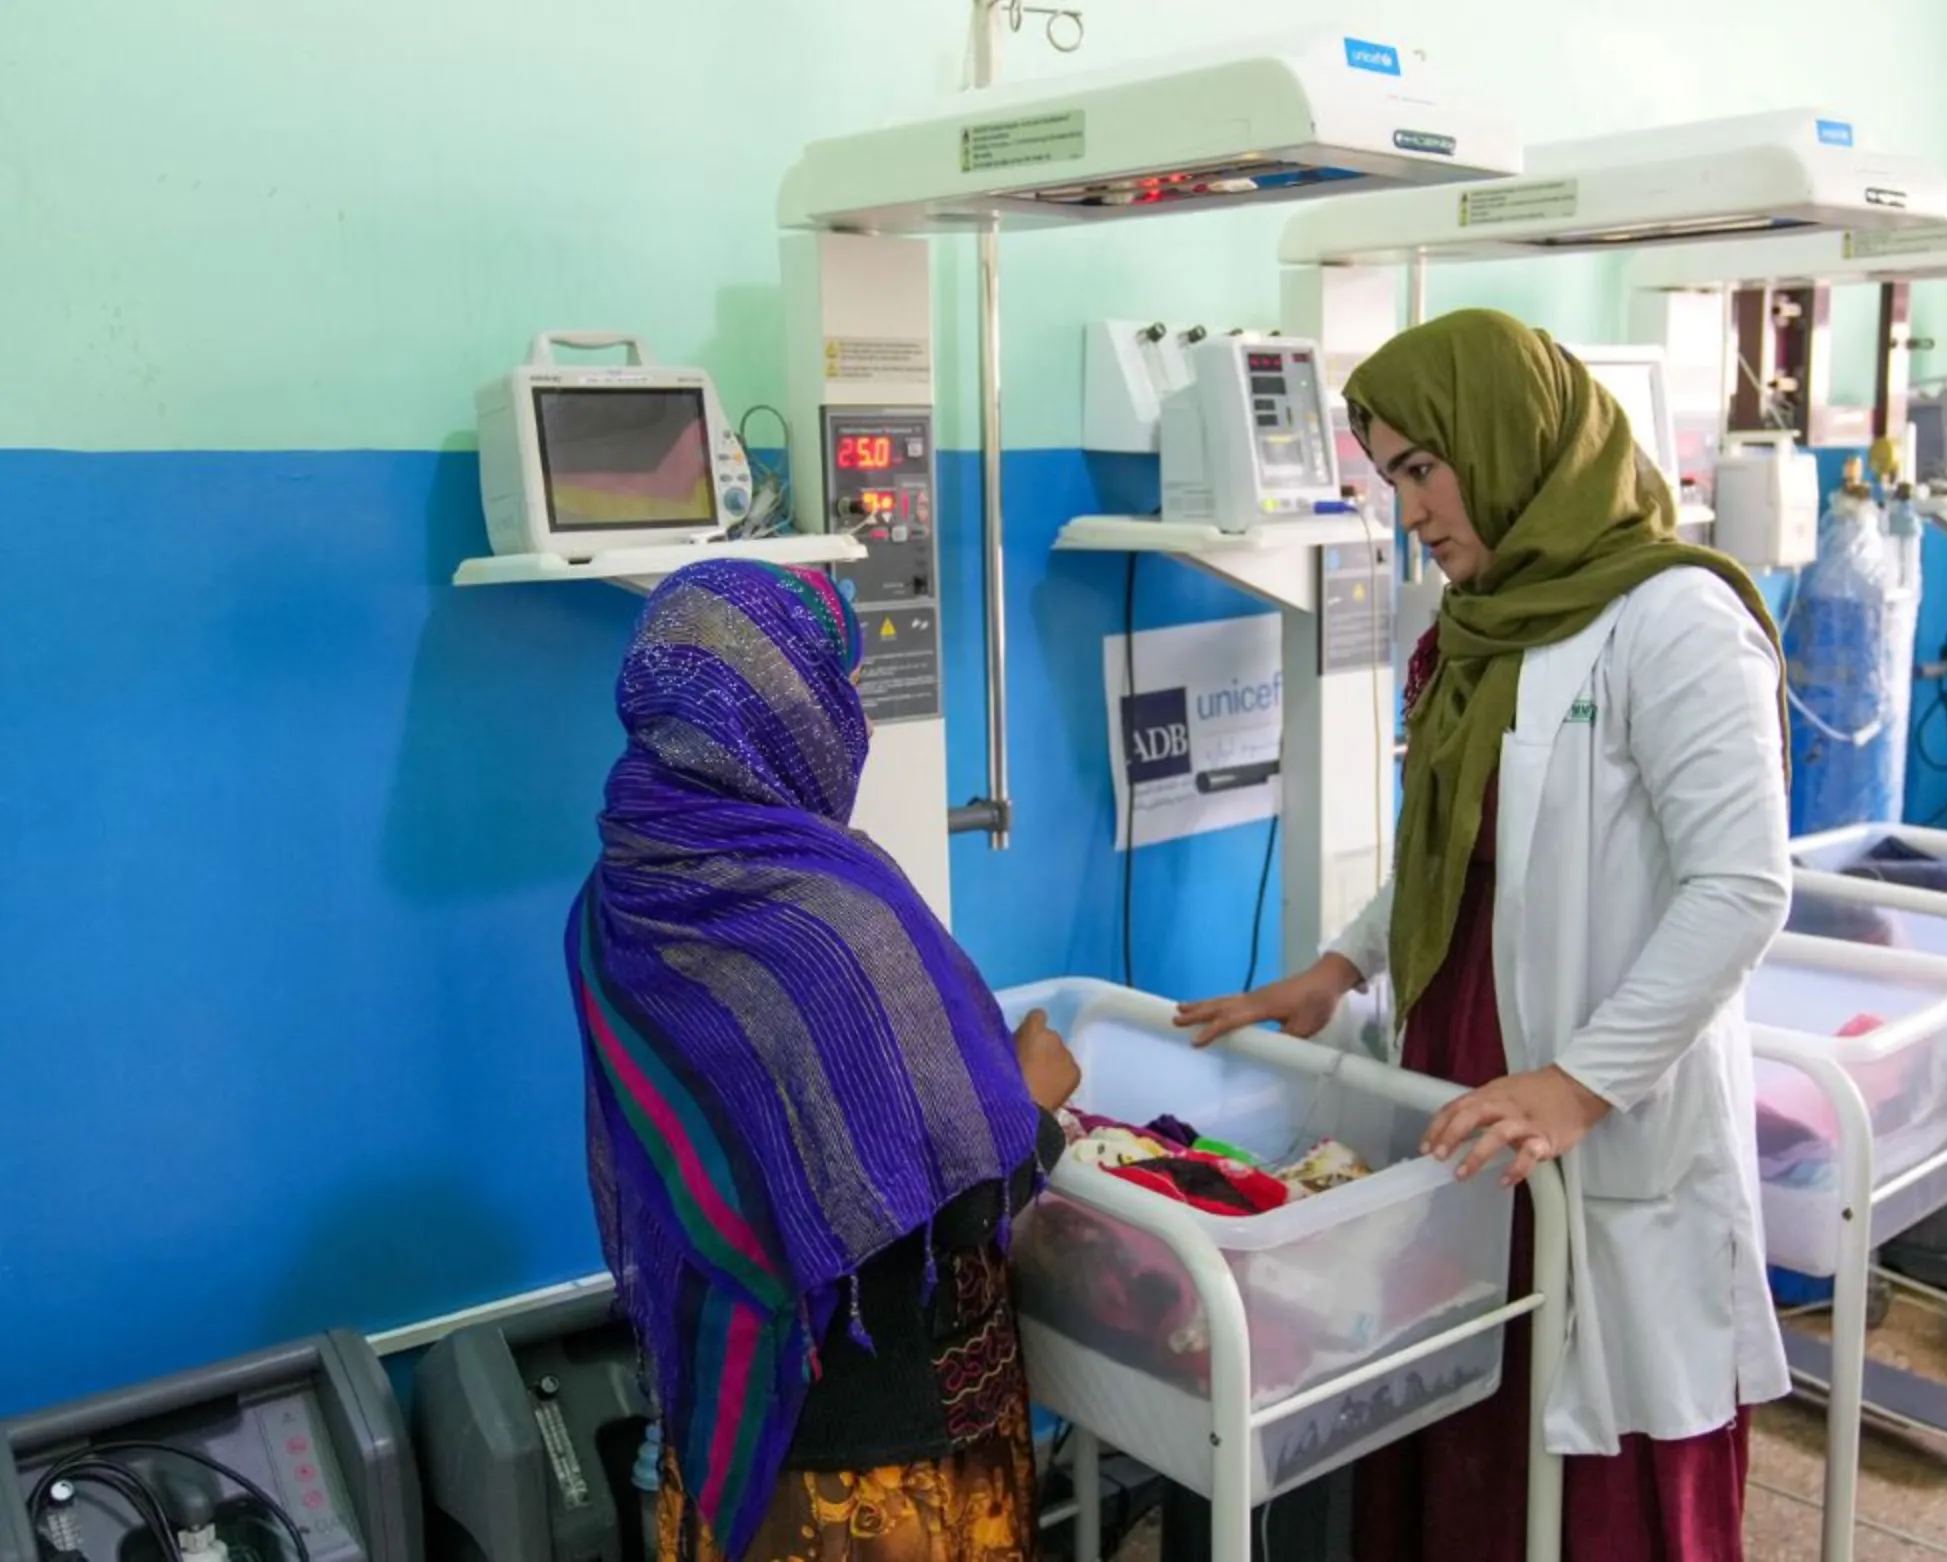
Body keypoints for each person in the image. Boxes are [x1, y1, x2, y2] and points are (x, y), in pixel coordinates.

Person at [1178, 308, 1795, 1561]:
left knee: (1592, 1463)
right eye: (1389, 475)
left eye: (1421, 467)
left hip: (1589, 1095)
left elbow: (1740, 885)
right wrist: (1343, 964)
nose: (1409, 509)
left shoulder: (1675, 619)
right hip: (1465, 1091)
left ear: (1507, 441)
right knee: (1462, 1420)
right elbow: (1452, 853)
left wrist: (1579, 1084)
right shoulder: (1477, 627)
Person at [567, 560, 1081, 1562]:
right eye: (838, 683)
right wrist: (1036, 1098)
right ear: (787, 706)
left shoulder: (614, 896)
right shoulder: (836, 916)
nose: (862, 722)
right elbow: (964, 1199)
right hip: (877, 1465)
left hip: (725, 1410)